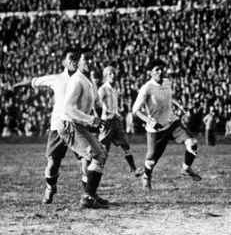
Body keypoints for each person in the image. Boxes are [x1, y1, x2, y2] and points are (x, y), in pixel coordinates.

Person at [11, 49, 79, 204]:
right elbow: (34, 81)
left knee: (86, 161)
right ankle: (50, 188)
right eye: (71, 58)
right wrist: (17, 85)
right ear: (64, 62)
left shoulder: (82, 80)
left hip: (77, 126)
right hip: (58, 126)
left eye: (76, 59)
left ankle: (89, 194)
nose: (74, 61)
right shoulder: (56, 79)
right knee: (53, 163)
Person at [131, 59, 202, 190]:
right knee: (151, 160)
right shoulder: (146, 88)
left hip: (172, 122)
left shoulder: (167, 82)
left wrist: (180, 106)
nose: (160, 71)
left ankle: (186, 168)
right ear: (150, 72)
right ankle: (146, 176)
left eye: (161, 68)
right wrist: (150, 121)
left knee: (192, 143)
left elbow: (169, 97)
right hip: (156, 129)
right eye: (157, 69)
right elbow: (135, 110)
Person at [62, 48, 109, 208]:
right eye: (86, 59)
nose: (90, 62)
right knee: (96, 154)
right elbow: (68, 108)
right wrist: (90, 119)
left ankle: (91, 194)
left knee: (100, 152)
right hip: (69, 124)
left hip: (79, 124)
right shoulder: (76, 80)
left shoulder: (87, 81)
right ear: (77, 62)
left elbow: (95, 103)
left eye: (91, 59)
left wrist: (101, 116)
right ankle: (88, 196)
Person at [97, 66, 140, 174]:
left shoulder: (115, 89)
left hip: (116, 121)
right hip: (107, 122)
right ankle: (96, 170)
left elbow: (113, 106)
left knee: (125, 144)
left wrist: (117, 112)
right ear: (105, 76)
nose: (113, 75)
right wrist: (105, 112)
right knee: (104, 149)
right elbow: (97, 103)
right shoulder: (102, 89)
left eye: (113, 73)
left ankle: (133, 169)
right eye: (110, 74)